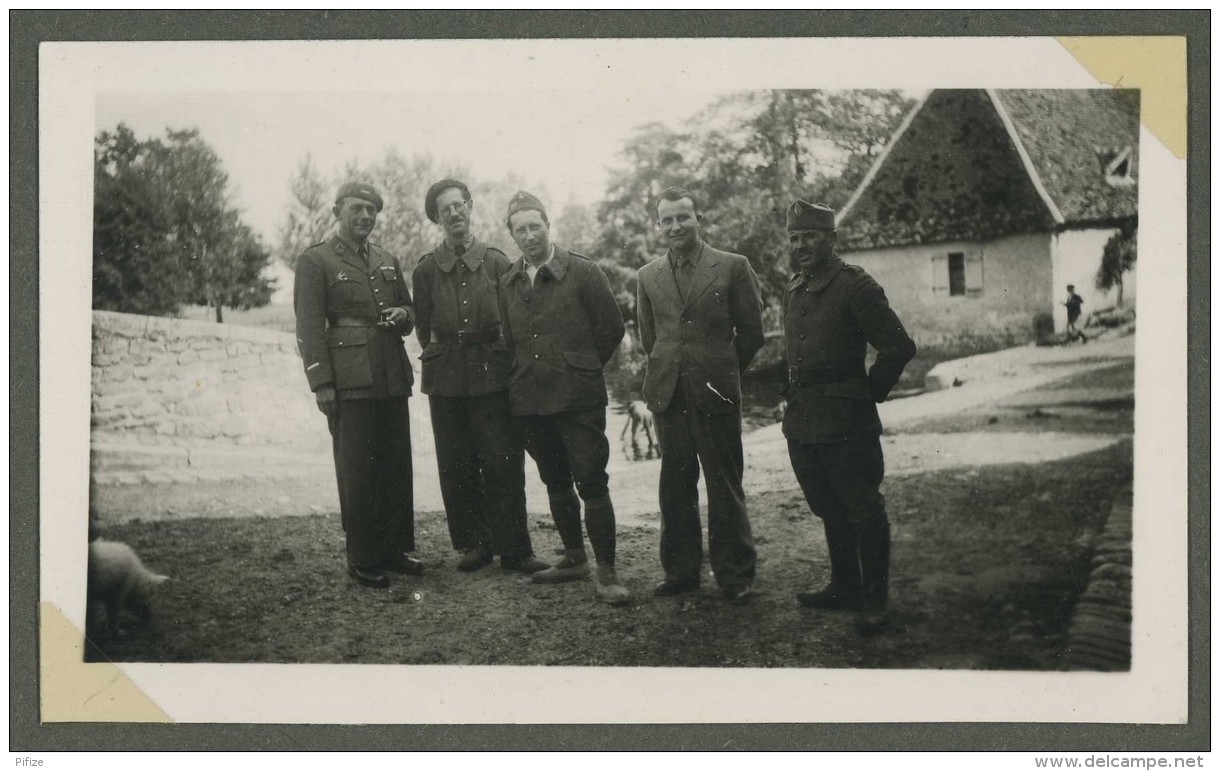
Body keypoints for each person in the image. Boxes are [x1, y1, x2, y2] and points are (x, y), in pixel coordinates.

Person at [780, 200, 916, 633]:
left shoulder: (855, 285)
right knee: (826, 505)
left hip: (846, 422)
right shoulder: (795, 286)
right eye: (795, 238)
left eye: (811, 237)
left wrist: (869, 392)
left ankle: (875, 599)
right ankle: (844, 586)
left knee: (862, 506)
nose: (801, 246)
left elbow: (898, 347)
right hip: (803, 421)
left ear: (832, 239)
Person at [498, 191, 631, 605]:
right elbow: (509, 339)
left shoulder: (583, 272)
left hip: (578, 398)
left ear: (548, 226)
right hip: (530, 400)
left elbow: (612, 329)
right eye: (520, 230)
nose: (529, 235)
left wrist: (582, 367)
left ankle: (606, 570)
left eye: (535, 226)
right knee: (554, 479)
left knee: (591, 480)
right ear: (512, 236)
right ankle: (575, 558)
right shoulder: (508, 281)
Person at [635, 187, 765, 605]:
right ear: (659, 225)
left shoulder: (732, 267)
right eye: (667, 220)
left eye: (683, 217)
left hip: (716, 392)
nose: (675, 226)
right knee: (674, 484)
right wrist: (674, 369)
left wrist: (721, 371)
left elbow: (752, 334)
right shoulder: (648, 276)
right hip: (669, 394)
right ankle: (680, 571)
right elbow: (649, 337)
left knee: (723, 483)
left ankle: (735, 574)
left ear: (699, 219)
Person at [413, 179, 549, 575]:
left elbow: (514, 317)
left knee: (503, 459)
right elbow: (423, 326)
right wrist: (448, 350)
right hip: (446, 375)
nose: (454, 214)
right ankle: (474, 543)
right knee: (456, 461)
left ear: (470, 207)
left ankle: (515, 549)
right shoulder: (425, 269)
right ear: (437, 219)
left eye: (459, 205)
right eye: (445, 210)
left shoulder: (496, 261)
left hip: (493, 370)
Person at [294, 181, 423, 588]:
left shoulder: (387, 259)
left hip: (389, 373)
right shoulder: (316, 260)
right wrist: (321, 383)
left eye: (371, 209)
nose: (366, 216)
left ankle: (393, 548)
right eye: (357, 208)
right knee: (358, 468)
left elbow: (409, 307)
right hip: (349, 380)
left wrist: (404, 315)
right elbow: (309, 327)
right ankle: (363, 555)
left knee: (395, 463)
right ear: (337, 211)